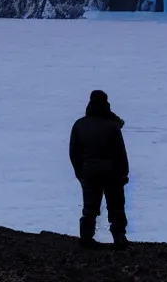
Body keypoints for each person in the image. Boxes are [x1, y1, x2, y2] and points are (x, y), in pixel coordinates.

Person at [69, 89, 130, 250]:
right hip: (112, 171)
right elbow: (120, 153)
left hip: (89, 170)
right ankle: (119, 237)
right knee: (116, 205)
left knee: (90, 207)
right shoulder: (112, 126)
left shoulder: (79, 124)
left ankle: (86, 238)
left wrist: (80, 172)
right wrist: (124, 173)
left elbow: (73, 152)